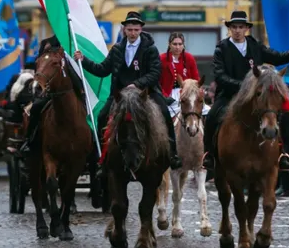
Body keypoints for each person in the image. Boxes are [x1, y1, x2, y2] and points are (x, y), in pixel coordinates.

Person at [75, 11, 182, 172]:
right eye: (129, 29)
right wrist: (83, 60)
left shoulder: (150, 49)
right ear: (124, 30)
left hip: (146, 93)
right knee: (102, 116)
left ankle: (172, 154)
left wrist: (137, 84)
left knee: (165, 113)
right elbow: (102, 69)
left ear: (141, 30)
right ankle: (99, 158)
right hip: (119, 96)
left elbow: (155, 73)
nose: (132, 33)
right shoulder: (117, 49)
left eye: (136, 30)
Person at [202, 10, 289, 171]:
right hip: (229, 95)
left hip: (256, 97)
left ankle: (281, 154)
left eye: (241, 27)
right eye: (234, 27)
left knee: (274, 115)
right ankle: (209, 154)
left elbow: (277, 57)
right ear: (230, 28)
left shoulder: (254, 45)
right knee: (211, 117)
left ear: (246, 28)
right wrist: (244, 86)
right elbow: (220, 76)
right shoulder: (221, 49)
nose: (237, 30)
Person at [19, 35, 85, 161]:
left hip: (74, 88)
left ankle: (94, 142)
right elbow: (39, 65)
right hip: (50, 90)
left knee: (91, 110)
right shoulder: (46, 42)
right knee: (36, 108)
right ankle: (30, 140)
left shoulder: (75, 40)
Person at [159, 32, 200, 98]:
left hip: (187, 95)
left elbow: (196, 79)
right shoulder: (162, 59)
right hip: (167, 94)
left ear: (183, 45)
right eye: (174, 44)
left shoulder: (189, 58)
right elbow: (157, 82)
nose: (177, 47)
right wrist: (164, 96)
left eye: (180, 44)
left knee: (206, 108)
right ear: (169, 44)